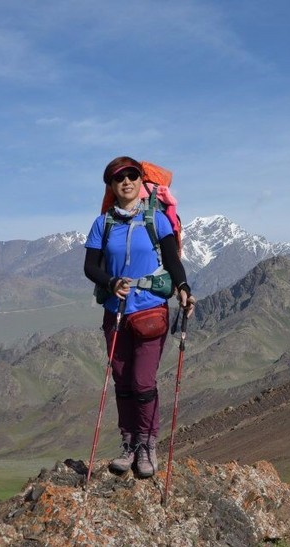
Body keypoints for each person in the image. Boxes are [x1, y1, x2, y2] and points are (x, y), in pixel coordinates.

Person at [83, 156, 195, 478]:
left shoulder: (155, 219)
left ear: (139, 181)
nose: (126, 182)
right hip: (114, 312)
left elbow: (172, 260)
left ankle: (147, 445)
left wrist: (183, 287)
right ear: (112, 186)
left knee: (143, 382)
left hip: (150, 311)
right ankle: (129, 443)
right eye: (119, 179)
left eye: (132, 176)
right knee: (122, 382)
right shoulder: (102, 224)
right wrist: (110, 282)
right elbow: (90, 266)